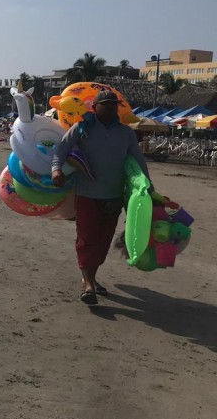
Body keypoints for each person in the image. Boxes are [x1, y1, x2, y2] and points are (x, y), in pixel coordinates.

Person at [52, 90, 154, 306]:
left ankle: (91, 277)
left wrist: (149, 187)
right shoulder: (81, 128)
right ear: (94, 107)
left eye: (113, 105)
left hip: (114, 196)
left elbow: (138, 159)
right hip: (87, 193)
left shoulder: (126, 133)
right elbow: (61, 149)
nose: (111, 108)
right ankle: (88, 284)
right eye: (106, 105)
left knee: (103, 241)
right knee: (87, 238)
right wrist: (56, 170)